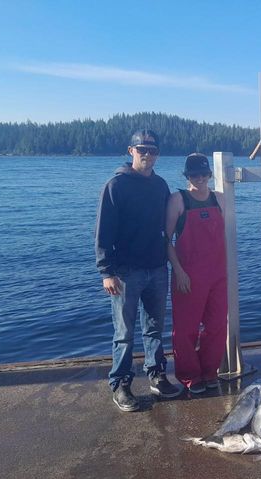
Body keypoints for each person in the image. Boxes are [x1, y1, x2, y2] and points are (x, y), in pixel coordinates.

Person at [95, 129, 183, 412]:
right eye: (142, 149)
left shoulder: (160, 185)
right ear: (130, 151)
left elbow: (169, 223)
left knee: (155, 328)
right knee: (124, 333)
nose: (147, 154)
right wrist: (106, 271)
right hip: (125, 273)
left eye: (153, 150)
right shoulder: (115, 185)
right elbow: (103, 233)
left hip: (157, 268)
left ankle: (156, 374)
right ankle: (121, 384)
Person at [166, 153, 228, 394]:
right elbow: (166, 240)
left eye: (204, 174)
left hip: (217, 275)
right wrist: (178, 271)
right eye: (194, 175)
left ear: (210, 175)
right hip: (188, 276)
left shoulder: (221, 199)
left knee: (216, 327)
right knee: (185, 329)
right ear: (187, 176)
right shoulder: (177, 200)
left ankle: (209, 372)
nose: (200, 179)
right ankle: (190, 376)